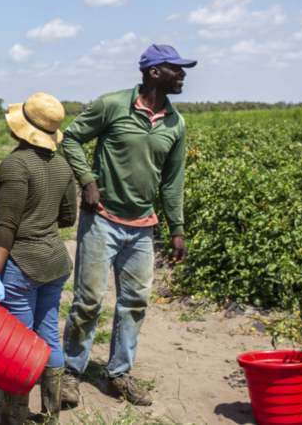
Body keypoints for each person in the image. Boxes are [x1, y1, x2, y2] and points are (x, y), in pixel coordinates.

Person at [59, 44, 195, 407]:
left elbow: (172, 181)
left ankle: (118, 373)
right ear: (153, 72)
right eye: (176, 69)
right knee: (88, 301)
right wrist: (87, 180)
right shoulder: (113, 105)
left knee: (134, 303)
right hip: (102, 219)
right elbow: (70, 138)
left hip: (142, 227)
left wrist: (176, 228)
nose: (183, 76)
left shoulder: (175, 123)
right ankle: (70, 372)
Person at [0, 92, 78, 425]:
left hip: (22, 265)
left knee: (19, 345)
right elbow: (68, 216)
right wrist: (43, 217)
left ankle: (16, 416)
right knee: (48, 334)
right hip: (54, 261)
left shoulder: (15, 164)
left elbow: (6, 227)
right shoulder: (63, 164)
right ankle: (51, 416)